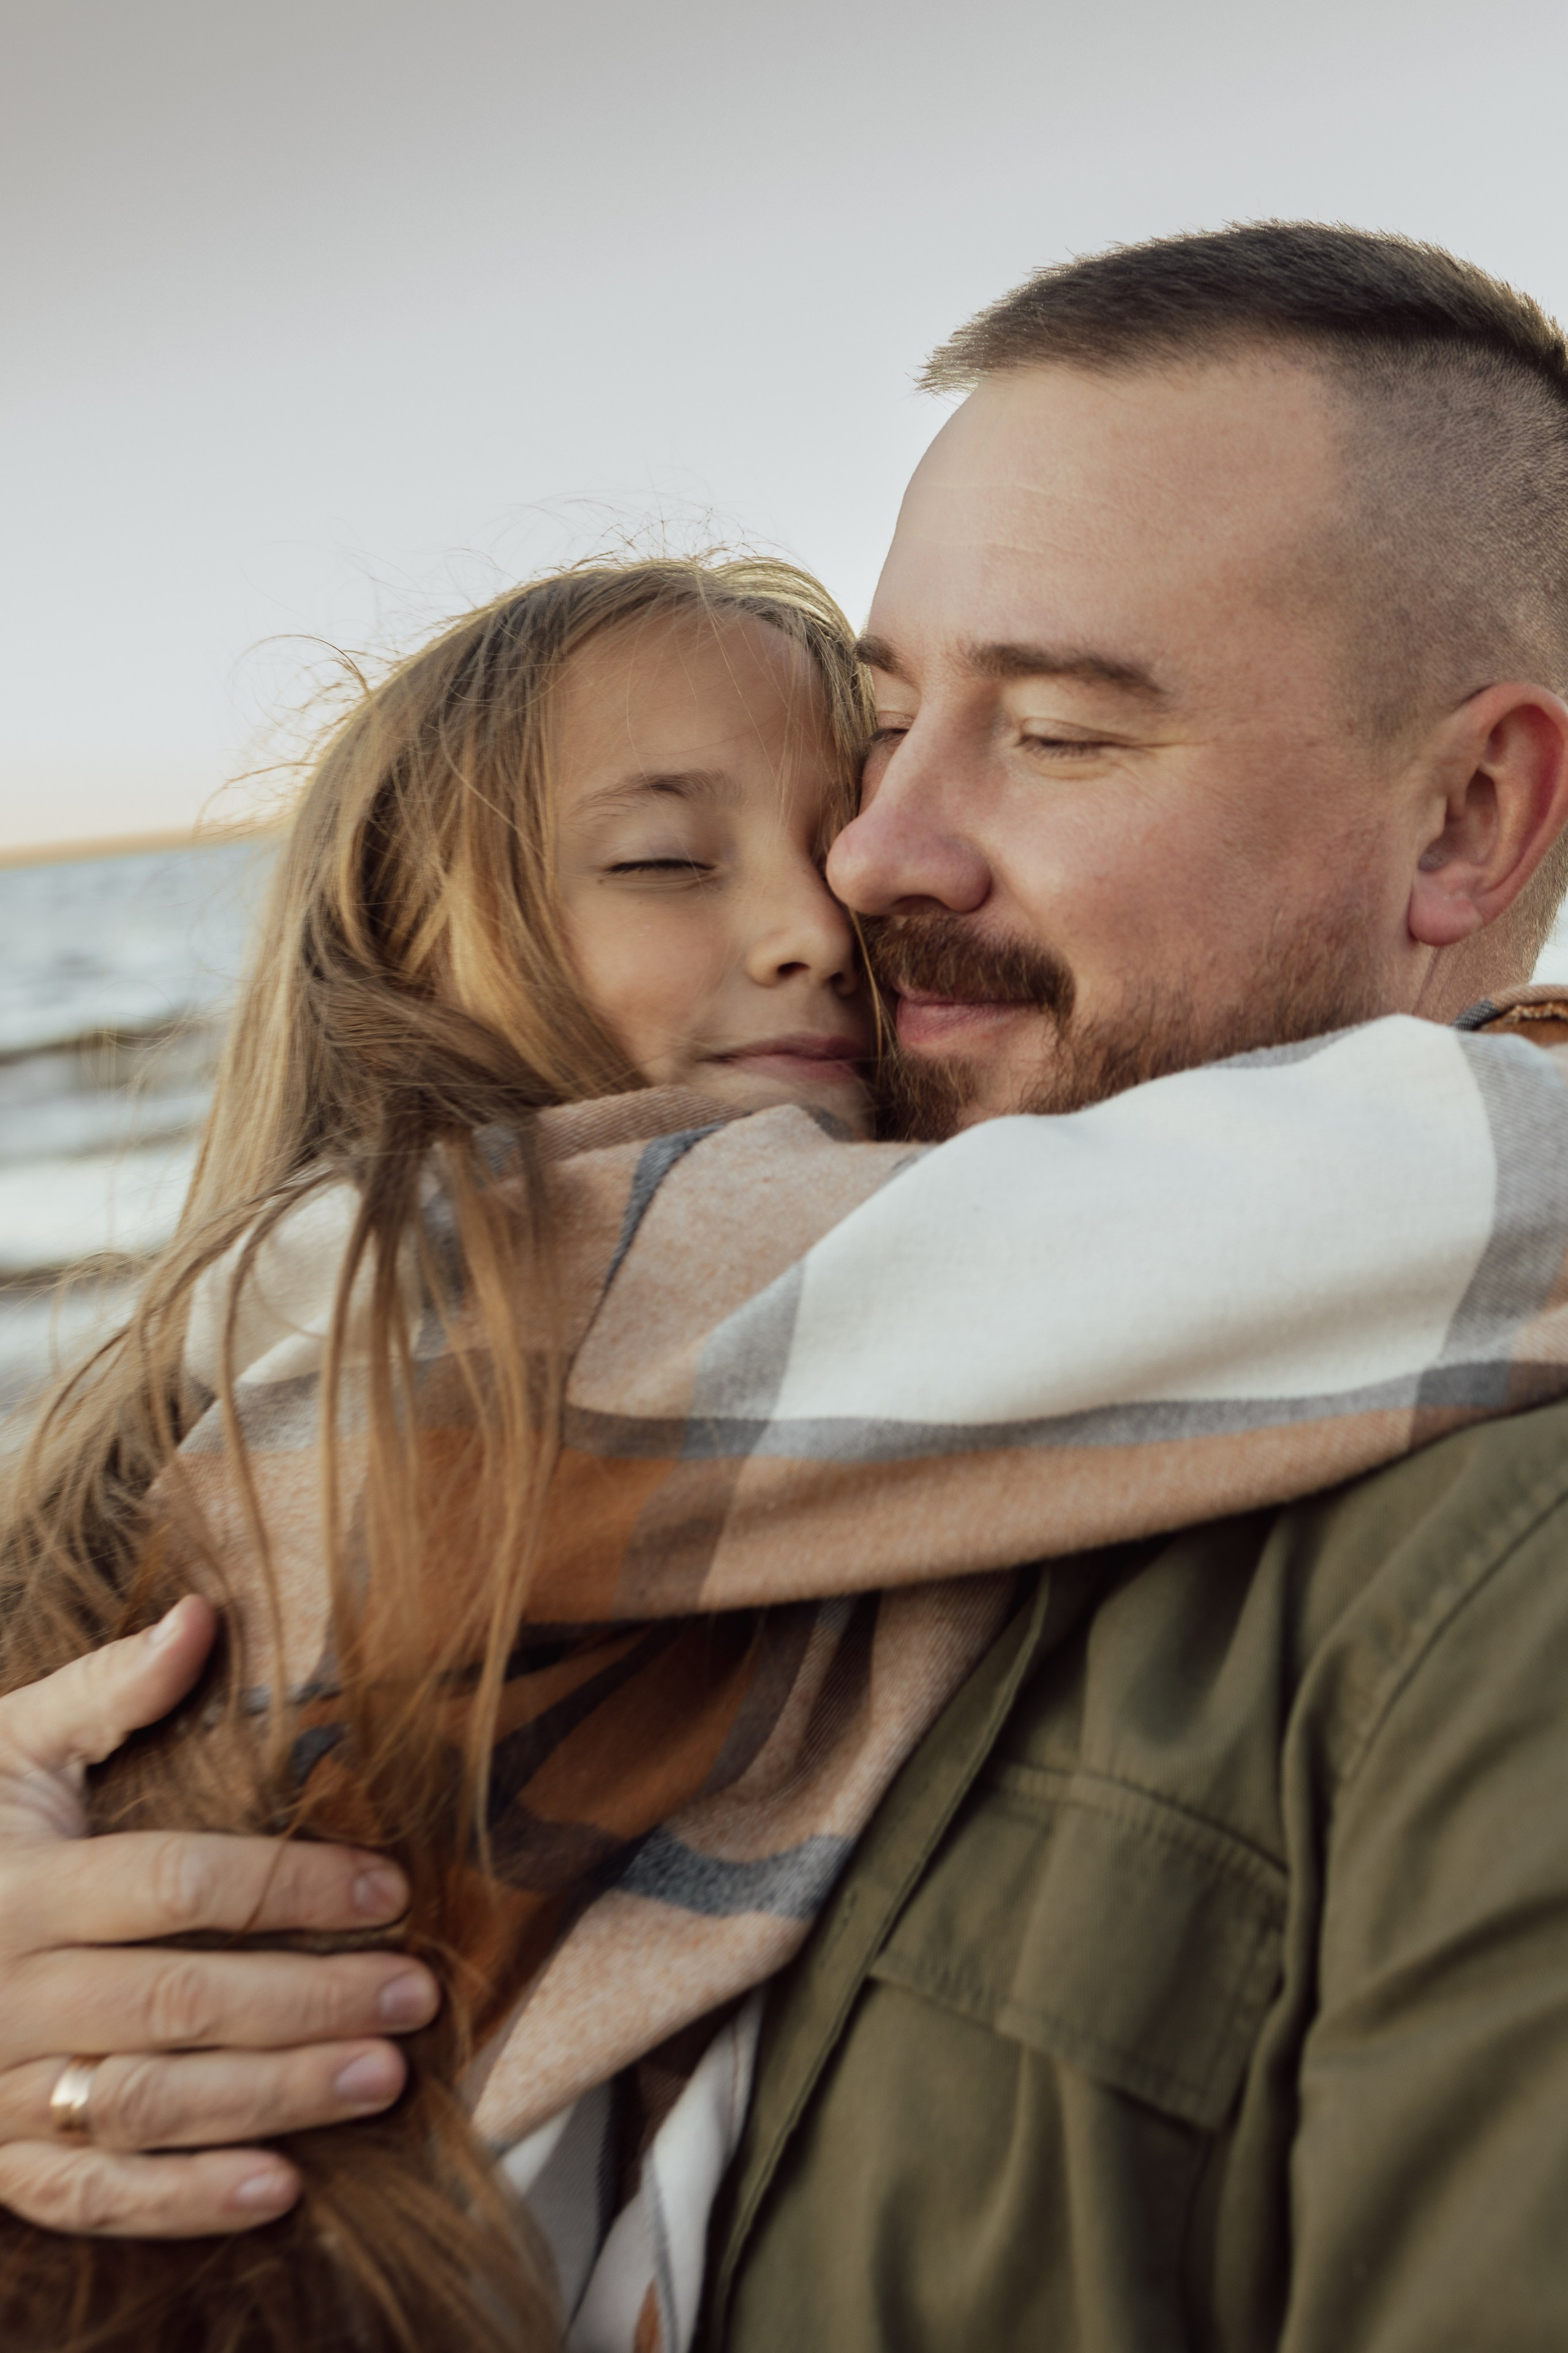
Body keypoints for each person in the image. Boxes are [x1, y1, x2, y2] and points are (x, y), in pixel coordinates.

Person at [6, 221, 1568, 2351]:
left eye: (1068, 736)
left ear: (1474, 812)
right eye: (898, 720)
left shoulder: (1483, 1569)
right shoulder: (547, 1300)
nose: (859, 871)